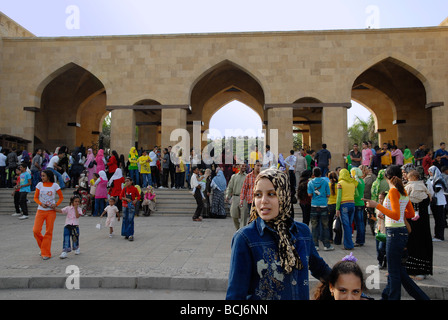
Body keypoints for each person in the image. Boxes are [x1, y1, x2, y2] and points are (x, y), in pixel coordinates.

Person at [226, 169, 331, 300]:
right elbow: (235, 295)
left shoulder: (302, 233)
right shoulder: (246, 238)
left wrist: (353, 288)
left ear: (284, 195)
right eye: (258, 195)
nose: (263, 201)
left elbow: (321, 270)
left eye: (271, 194)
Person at [364, 165, 430, 300]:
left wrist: (377, 205)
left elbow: (394, 215)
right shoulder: (403, 191)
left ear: (387, 176)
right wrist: (398, 214)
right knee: (399, 271)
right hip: (401, 232)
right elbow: (410, 213)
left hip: (394, 232)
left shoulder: (393, 191)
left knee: (394, 272)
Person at [405, 170, 433, 279]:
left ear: (411, 177)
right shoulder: (424, 188)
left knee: (413, 244)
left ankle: (413, 270)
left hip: (412, 223)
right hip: (424, 223)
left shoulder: (408, 188)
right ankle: (423, 271)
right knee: (423, 244)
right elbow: (429, 199)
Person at [33, 170, 64, 260]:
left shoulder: (55, 185)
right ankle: (43, 247)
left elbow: (61, 197)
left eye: (44, 176)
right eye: (41, 176)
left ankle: (46, 253)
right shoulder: (39, 185)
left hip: (51, 211)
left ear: (49, 176)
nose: (42, 178)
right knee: (36, 230)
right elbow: (35, 197)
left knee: (48, 232)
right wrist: (40, 203)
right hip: (41, 210)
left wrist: (56, 204)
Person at [307, 167, 333, 251]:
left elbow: (309, 194)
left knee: (314, 226)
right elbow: (328, 194)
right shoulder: (325, 182)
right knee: (325, 226)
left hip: (314, 205)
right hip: (323, 205)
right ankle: (326, 245)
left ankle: (315, 245)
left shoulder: (310, 182)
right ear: (321, 173)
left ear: (313, 174)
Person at [335, 169, 357, 250]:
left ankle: (348, 245)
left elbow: (339, 197)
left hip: (344, 205)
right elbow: (356, 194)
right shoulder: (352, 182)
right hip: (352, 204)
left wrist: (337, 208)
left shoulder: (340, 183)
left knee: (346, 225)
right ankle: (349, 242)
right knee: (349, 225)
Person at [427, 165, 448, 241]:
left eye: (431, 171)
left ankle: (440, 236)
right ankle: (436, 235)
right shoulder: (430, 179)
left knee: (440, 219)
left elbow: (437, 189)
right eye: (429, 171)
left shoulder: (439, 179)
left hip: (439, 202)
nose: (429, 173)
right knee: (436, 219)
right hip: (434, 202)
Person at [226, 163, 248, 230]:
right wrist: (227, 195)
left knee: (243, 216)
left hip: (244, 198)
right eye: (242, 166)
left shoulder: (247, 177)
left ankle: (241, 231)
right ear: (239, 166)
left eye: (245, 166)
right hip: (235, 197)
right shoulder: (234, 176)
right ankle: (238, 229)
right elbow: (230, 187)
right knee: (233, 215)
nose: (244, 167)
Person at [119, 177, 140, 241]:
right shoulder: (124, 189)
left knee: (130, 219)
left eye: (128, 181)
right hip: (125, 206)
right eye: (125, 181)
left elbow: (139, 196)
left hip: (131, 206)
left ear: (131, 182)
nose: (126, 182)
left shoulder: (134, 189)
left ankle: (130, 234)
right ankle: (125, 233)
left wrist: (135, 200)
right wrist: (126, 199)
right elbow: (120, 196)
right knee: (125, 219)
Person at [351, 167, 366, 247]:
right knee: (361, 223)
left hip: (356, 203)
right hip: (361, 203)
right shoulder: (362, 181)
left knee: (358, 223)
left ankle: (359, 240)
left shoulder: (356, 181)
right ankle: (361, 240)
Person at [375, 192, 387, 270]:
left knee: (381, 248)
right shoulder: (377, 207)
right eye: (379, 198)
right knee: (378, 248)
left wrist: (384, 218)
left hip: (384, 231)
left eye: (382, 198)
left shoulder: (387, 207)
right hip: (378, 230)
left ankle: (384, 261)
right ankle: (380, 262)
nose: (380, 200)